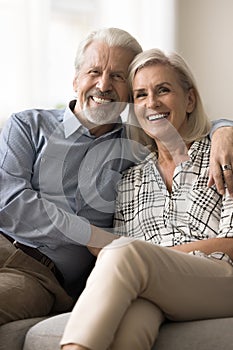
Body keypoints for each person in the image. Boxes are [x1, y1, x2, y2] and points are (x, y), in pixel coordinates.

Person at [0, 28, 232, 326]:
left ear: (128, 92)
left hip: (38, 274)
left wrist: (225, 130)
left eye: (118, 77)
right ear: (75, 80)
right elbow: (9, 200)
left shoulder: (136, 149)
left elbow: (182, 119)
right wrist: (88, 234)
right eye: (94, 71)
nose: (104, 85)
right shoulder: (29, 125)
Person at [60, 49, 233, 350]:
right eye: (140, 95)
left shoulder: (222, 154)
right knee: (131, 323)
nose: (151, 103)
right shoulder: (129, 180)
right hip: (157, 286)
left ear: (189, 100)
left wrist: (153, 258)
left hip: (221, 280)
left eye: (163, 90)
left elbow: (231, 243)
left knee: (125, 253)